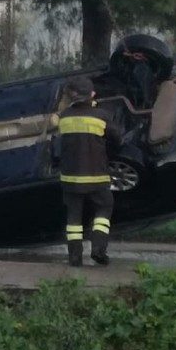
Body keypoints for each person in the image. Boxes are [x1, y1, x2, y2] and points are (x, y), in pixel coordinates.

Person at [57, 76, 123, 266]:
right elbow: (117, 139)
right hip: (96, 177)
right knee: (104, 207)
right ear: (92, 94)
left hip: (70, 179)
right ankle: (98, 249)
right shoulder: (101, 116)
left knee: (74, 219)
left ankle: (75, 257)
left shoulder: (64, 118)